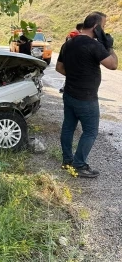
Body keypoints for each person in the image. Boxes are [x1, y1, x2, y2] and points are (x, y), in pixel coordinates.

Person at [55, 12, 118, 178]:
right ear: (96, 27)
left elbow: (59, 68)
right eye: (103, 27)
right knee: (90, 131)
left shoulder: (68, 43)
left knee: (68, 127)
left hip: (69, 94)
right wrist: (109, 46)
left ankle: (67, 160)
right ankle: (79, 165)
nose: (104, 31)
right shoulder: (94, 45)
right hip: (86, 98)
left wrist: (75, 76)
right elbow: (113, 65)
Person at [59, 22, 84, 93]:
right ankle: (66, 87)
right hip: (75, 58)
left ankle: (64, 87)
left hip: (69, 57)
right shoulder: (76, 36)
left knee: (69, 73)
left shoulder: (71, 35)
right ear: (81, 29)